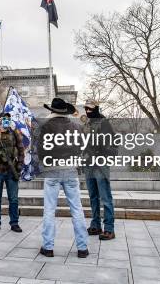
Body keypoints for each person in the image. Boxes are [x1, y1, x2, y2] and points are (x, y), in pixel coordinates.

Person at [37, 98, 89, 258]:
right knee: (77, 209)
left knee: (49, 210)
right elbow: (82, 147)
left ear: (52, 110)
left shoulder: (44, 127)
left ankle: (48, 247)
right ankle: (82, 248)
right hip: (71, 169)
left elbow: (40, 150)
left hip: (52, 170)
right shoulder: (77, 127)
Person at [82, 99, 116, 241]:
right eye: (86, 109)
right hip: (89, 165)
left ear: (96, 109)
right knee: (93, 197)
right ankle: (95, 225)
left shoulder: (104, 123)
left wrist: (103, 155)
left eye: (90, 109)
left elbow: (114, 144)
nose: (88, 111)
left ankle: (109, 229)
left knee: (105, 198)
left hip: (100, 165)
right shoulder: (86, 124)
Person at [0, 112, 24, 233]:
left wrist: (19, 165)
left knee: (13, 199)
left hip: (11, 170)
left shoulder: (14, 133)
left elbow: (21, 150)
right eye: (4, 118)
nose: (6, 120)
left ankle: (14, 223)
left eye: (8, 118)